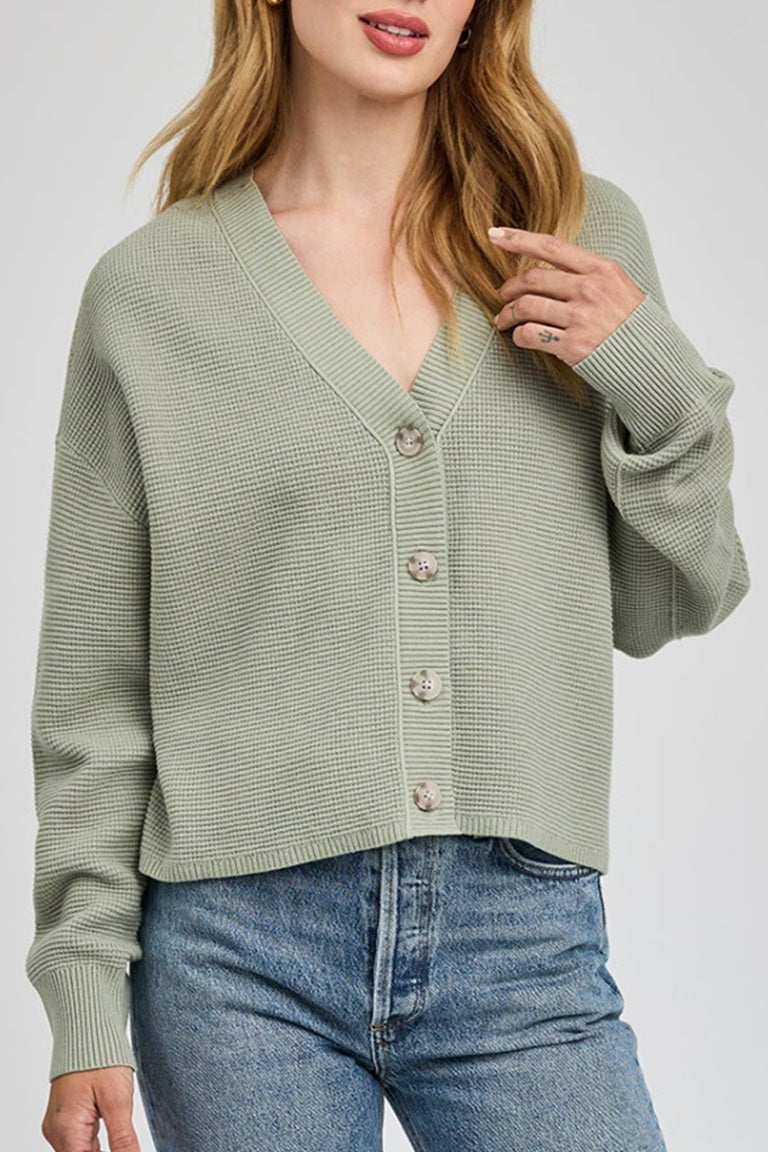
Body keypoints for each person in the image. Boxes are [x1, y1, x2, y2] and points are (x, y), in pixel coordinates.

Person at [27, 2, 750, 1150]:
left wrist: (652, 381)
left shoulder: (577, 242)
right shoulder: (152, 293)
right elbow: (95, 687)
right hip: (232, 955)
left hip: (521, 935)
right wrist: (83, 1000)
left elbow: (674, 602)